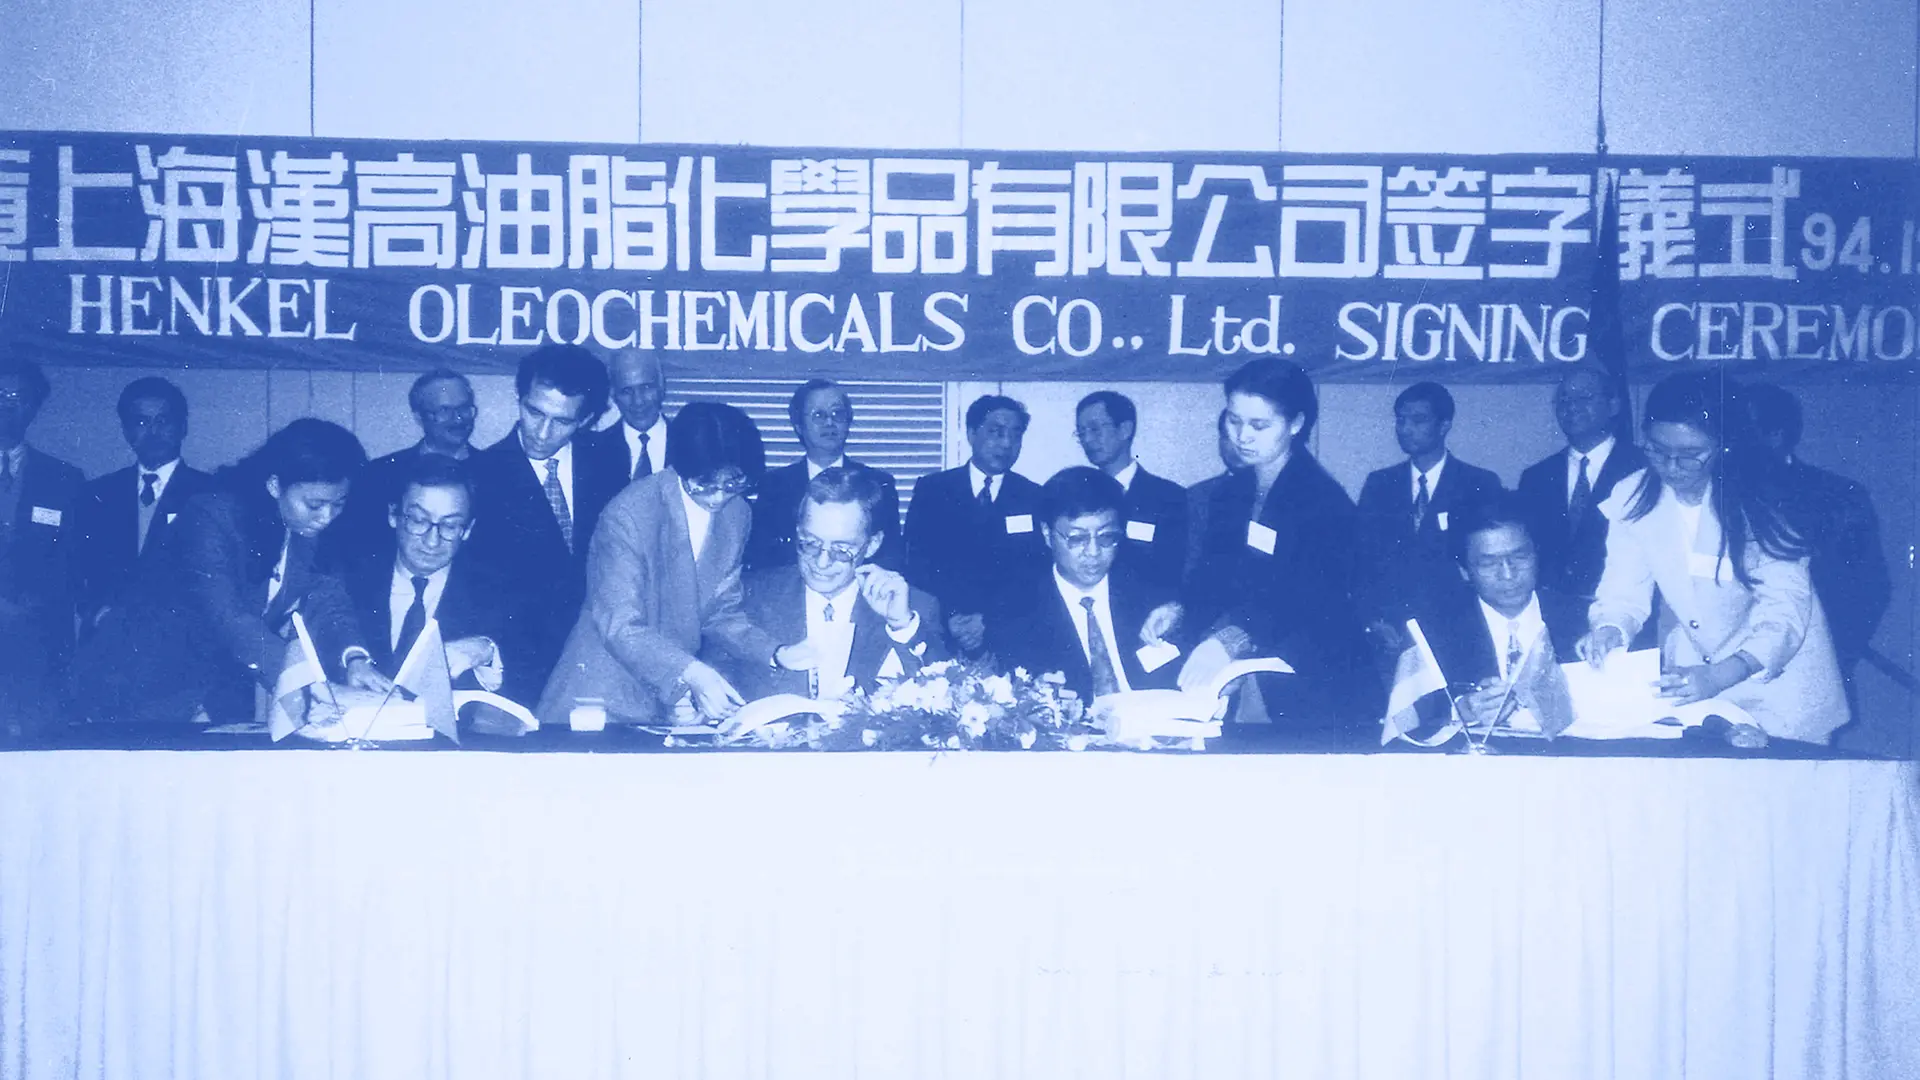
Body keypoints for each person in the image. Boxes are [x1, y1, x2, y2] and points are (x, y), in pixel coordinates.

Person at [1577, 373, 1847, 745]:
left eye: (1690, 456)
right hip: (1700, 686)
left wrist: (1722, 675)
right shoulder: (1632, 496)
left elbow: (1784, 611)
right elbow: (1623, 591)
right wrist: (1610, 628)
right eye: (1657, 450)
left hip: (1783, 687)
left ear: (1726, 446)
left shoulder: (1768, 499)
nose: (1671, 467)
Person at [73, 419, 382, 726]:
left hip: (212, 694)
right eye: (314, 504)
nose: (326, 517)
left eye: (338, 504)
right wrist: (308, 684)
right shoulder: (211, 516)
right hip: (135, 686)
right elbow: (227, 616)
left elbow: (330, 601)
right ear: (275, 485)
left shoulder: (309, 531)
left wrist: (355, 660)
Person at [538, 402, 773, 727]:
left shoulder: (737, 514)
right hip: (600, 693)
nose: (719, 497)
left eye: (734, 484)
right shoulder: (630, 514)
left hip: (666, 697)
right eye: (704, 484)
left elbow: (722, 612)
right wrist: (691, 672)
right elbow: (620, 626)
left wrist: (774, 652)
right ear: (679, 468)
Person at [1181, 359, 1380, 735]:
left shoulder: (1324, 502)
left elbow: (1303, 597)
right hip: (1244, 674)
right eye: (1233, 420)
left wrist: (1231, 639)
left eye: (1259, 425)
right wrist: (1177, 609)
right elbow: (1213, 576)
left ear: (1295, 424)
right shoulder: (1229, 492)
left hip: (1314, 682)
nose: (1242, 436)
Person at [309, 454, 536, 717]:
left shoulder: (500, 592)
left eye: (450, 525)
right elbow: (320, 641)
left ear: (468, 530)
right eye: (418, 520)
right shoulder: (348, 577)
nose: (432, 540)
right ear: (394, 515)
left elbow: (527, 685)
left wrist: (487, 651)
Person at [464, 344, 623, 697]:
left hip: (600, 667)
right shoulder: (478, 476)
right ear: (519, 399)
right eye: (534, 412)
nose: (542, 431)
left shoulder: (611, 465)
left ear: (586, 420)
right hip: (517, 673)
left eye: (562, 421)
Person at [717, 466, 944, 702]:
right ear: (798, 532)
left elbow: (945, 695)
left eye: (842, 550)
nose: (822, 562)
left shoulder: (913, 606)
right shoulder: (751, 596)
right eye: (810, 543)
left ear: (873, 544)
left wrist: (901, 625)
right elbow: (715, 671)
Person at [1745, 382, 1891, 725]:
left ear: (1775, 435)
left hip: (1806, 673)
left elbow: (1868, 588)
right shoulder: (1707, 493)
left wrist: (1837, 654)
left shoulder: (1837, 496)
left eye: (1741, 431)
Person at [993, 467, 1181, 701]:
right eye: (1077, 538)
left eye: (1106, 537)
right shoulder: (1016, 611)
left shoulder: (1148, 594)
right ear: (1046, 534)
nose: (1093, 552)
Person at [1414, 494, 1590, 733]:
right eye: (1488, 563)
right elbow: (1412, 715)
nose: (1508, 574)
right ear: (1464, 570)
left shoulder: (1584, 620)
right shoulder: (1434, 631)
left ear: (1537, 555)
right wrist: (1463, 711)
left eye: (1519, 557)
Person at [1355, 382, 1503, 652]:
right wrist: (1373, 620)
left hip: (1457, 630)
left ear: (1444, 425)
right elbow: (1362, 560)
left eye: (1418, 420)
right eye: (1401, 420)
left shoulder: (1478, 483)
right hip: (1390, 632)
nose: (1406, 429)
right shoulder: (1379, 484)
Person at [903, 394, 1048, 658]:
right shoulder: (933, 489)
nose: (1007, 443)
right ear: (971, 434)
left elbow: (1036, 575)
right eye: (996, 432)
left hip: (1008, 636)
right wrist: (950, 616)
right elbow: (916, 564)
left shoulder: (1034, 497)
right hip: (941, 633)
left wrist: (988, 620)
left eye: (1015, 435)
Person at [70, 378, 215, 638]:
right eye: (141, 422)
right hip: (109, 639)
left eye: (163, 421)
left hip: (185, 641)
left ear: (182, 427)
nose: (153, 431)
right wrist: (93, 609)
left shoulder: (211, 493)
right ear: (126, 431)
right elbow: (73, 564)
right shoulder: (97, 493)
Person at [1516, 363, 1650, 606]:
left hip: (1621, 610)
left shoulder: (1644, 470)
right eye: (1564, 400)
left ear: (1613, 406)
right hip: (1552, 610)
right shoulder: (1536, 477)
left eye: (1584, 397)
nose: (1572, 407)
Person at [0, 356, 85, 732]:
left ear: (35, 406)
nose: (8, 403)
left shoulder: (64, 479)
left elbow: (73, 561)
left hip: (37, 641)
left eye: (20, 396)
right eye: (0, 393)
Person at [745, 379, 902, 572]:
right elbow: (763, 559)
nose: (829, 422)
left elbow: (890, 557)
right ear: (798, 426)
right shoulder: (774, 485)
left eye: (838, 414)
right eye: (818, 415)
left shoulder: (878, 483)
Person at [325, 368, 479, 564]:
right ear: (418, 417)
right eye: (444, 411)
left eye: (464, 408)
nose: (458, 418)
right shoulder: (378, 475)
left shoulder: (499, 474)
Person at [1073, 391, 1188, 594]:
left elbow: (1175, 570)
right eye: (1082, 432)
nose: (1088, 440)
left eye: (1095, 429)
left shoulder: (1170, 497)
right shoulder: (1076, 493)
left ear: (1125, 429)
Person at [590, 348, 669, 482]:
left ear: (662, 387)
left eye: (646, 388)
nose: (638, 401)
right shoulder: (591, 453)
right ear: (613, 395)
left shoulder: (690, 444)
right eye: (626, 391)